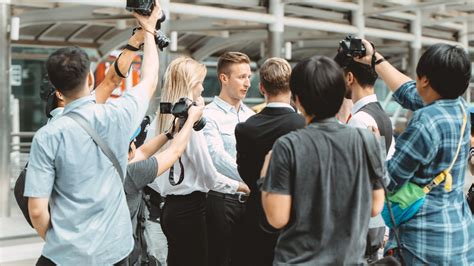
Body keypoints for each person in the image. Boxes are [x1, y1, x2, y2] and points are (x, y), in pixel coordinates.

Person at [24, 3, 161, 265]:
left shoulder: (47, 136)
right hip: (114, 251)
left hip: (66, 255)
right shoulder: (117, 115)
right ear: (89, 78)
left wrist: (62, 243)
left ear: (57, 89)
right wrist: (149, 31)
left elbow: (37, 210)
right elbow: (150, 79)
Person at [355, 40, 473, 264]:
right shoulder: (460, 108)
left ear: (425, 80)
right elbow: (411, 92)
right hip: (459, 236)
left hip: (424, 243)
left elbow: (389, 180)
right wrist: (374, 59)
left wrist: (373, 147)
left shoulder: (425, 122)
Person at [260, 55, 385, 265]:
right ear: (340, 94)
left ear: (297, 98)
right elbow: (375, 206)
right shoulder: (366, 140)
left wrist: (265, 174)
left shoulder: (287, 146)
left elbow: (277, 217)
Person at [149, 57, 249, 266]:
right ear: (189, 85)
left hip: (169, 209)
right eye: (199, 83)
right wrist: (241, 186)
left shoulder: (161, 119)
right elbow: (209, 176)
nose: (203, 88)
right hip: (191, 210)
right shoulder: (190, 127)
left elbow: (149, 173)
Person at [234, 57, 305, 266]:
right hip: (296, 219)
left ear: (261, 87)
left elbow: (244, 172)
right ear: (291, 87)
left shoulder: (245, 128)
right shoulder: (304, 126)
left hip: (256, 216)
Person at [125, 103, 204, 265]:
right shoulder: (132, 174)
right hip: (122, 252)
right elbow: (173, 152)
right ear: (128, 150)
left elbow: (144, 152)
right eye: (133, 141)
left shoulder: (111, 166)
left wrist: (169, 133)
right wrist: (191, 121)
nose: (136, 144)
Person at [334, 53, 395, 261]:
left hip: (362, 224)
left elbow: (352, 182)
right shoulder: (382, 115)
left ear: (350, 78)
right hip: (378, 222)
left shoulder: (359, 120)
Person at [203, 51, 254, 266]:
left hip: (251, 203)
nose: (248, 83)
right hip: (222, 202)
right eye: (241, 77)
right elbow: (215, 157)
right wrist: (250, 179)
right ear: (224, 78)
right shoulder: (208, 115)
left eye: (249, 77)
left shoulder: (251, 116)